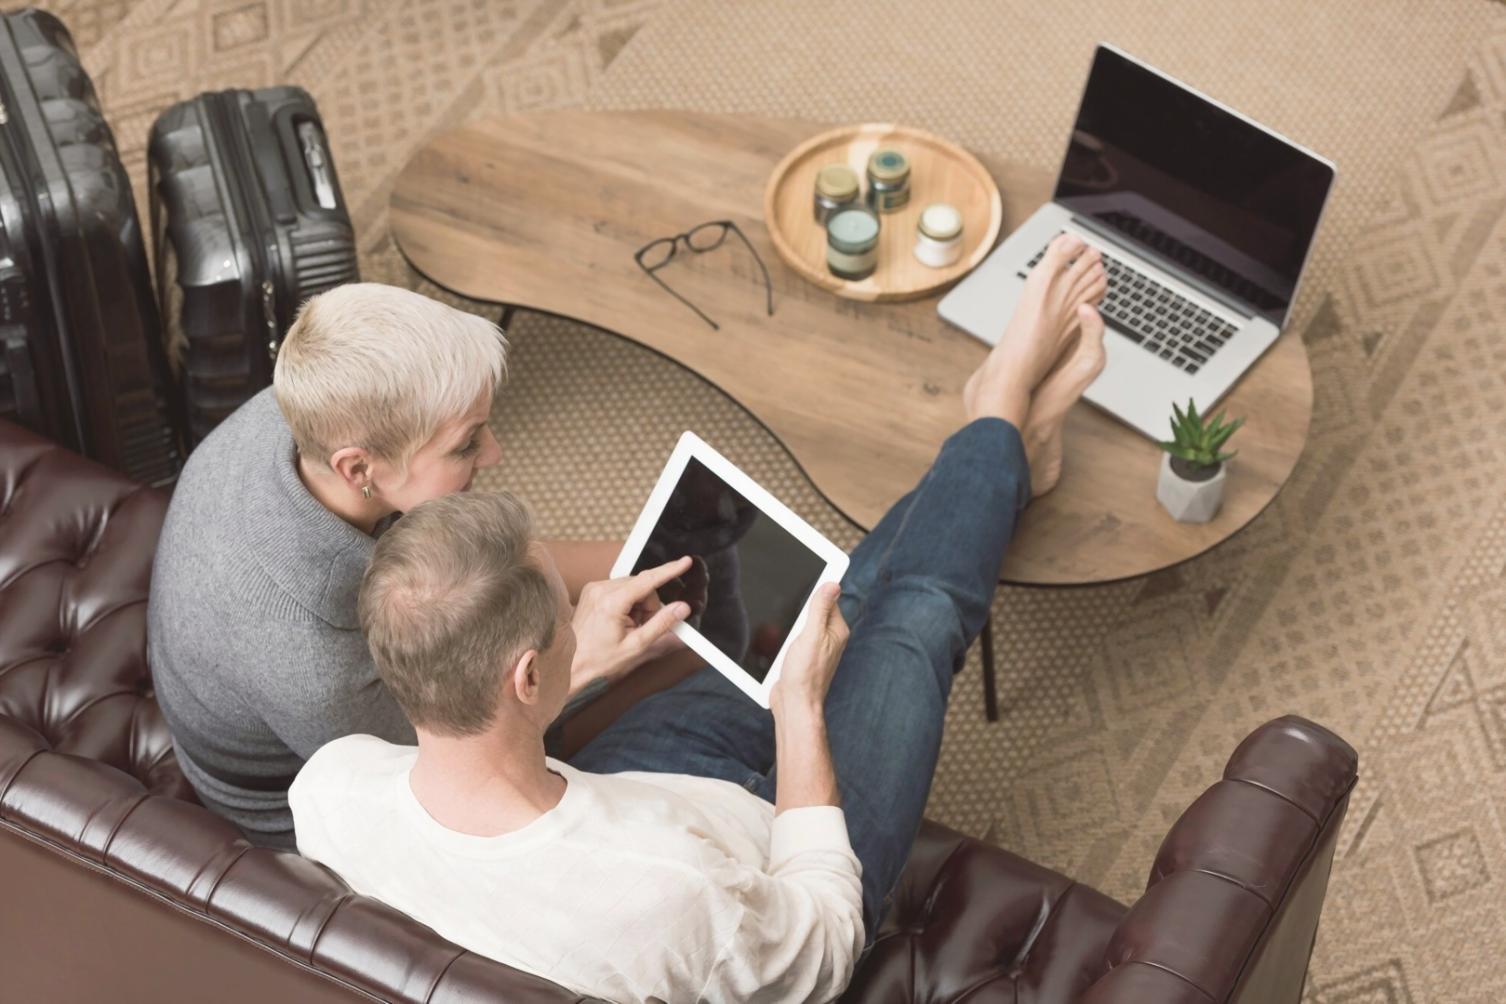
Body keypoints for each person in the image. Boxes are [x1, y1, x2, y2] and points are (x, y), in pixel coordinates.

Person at [289, 234, 1108, 1002]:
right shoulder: (664, 896)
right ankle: (996, 419)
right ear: (527, 674)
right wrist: (798, 713)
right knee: (913, 621)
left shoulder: (330, 784)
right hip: (777, 856)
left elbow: (486, 751)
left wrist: (590, 668)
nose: (584, 624)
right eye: (568, 623)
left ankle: (999, 447)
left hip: (627, 779)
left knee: (834, 600)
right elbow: (824, 944)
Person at [148, 283, 694, 850]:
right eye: (465, 445)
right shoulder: (312, 656)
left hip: (348, 697)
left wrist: (646, 558)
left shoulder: (313, 411)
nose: (495, 453)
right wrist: (585, 663)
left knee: (661, 638)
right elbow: (438, 764)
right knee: (671, 673)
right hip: (319, 795)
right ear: (359, 467)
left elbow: (478, 554)